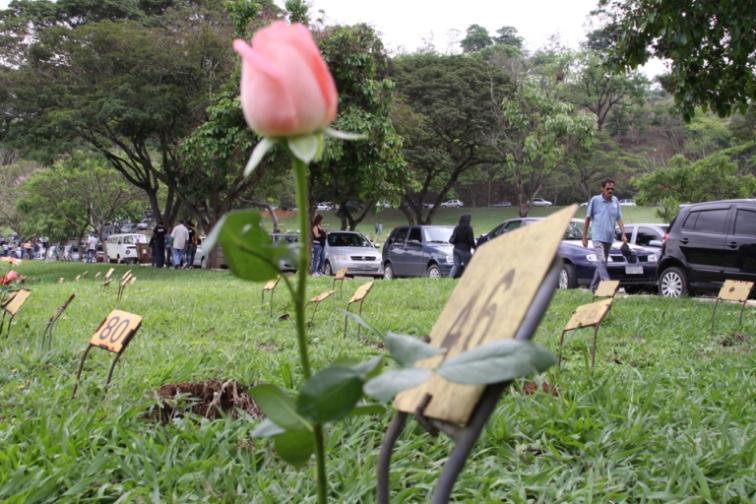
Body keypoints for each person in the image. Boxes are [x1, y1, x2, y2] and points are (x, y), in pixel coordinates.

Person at [582, 178, 627, 292]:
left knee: (602, 264)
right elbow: (587, 219)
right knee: (601, 261)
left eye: (612, 189)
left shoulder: (615, 201)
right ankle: (607, 286)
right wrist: (584, 237)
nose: (610, 191)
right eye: (608, 188)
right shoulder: (595, 200)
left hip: (609, 238)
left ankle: (593, 288)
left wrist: (623, 234)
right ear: (602, 189)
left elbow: (619, 218)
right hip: (597, 237)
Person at [449, 214, 476, 278]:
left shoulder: (457, 227)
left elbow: (453, 238)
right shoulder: (469, 228)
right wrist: (475, 247)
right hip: (465, 250)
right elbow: (471, 240)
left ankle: (450, 278)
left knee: (456, 265)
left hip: (456, 249)